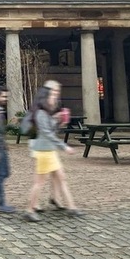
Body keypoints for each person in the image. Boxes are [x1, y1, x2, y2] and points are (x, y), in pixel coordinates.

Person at [23, 80, 84, 222]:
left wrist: (59, 122)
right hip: (44, 151)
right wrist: (64, 146)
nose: (56, 97)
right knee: (39, 182)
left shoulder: (46, 112)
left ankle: (71, 207)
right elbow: (47, 134)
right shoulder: (41, 113)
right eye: (54, 93)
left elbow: (50, 131)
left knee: (60, 178)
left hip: (48, 150)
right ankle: (29, 209)